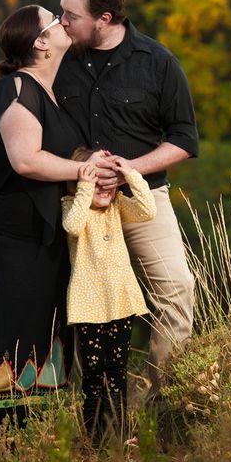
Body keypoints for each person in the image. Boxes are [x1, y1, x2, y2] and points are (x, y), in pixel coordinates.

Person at [0, 4, 109, 443]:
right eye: (54, 20)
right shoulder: (16, 87)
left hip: (42, 239)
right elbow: (26, 160)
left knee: (38, 350)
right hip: (4, 240)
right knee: (3, 353)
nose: (65, 22)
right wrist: (83, 171)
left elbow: (60, 158)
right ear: (40, 42)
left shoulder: (55, 93)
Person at [55, 0, 199, 397]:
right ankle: (93, 419)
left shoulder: (158, 63)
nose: (62, 22)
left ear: (104, 18)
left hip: (143, 199)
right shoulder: (59, 61)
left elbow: (184, 140)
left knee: (176, 291)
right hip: (79, 206)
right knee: (84, 309)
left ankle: (162, 403)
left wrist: (128, 169)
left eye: (71, 15)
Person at [62, 147, 155, 445]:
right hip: (89, 306)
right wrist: (85, 185)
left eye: (108, 181)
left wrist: (129, 173)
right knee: (93, 375)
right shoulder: (73, 207)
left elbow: (147, 210)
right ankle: (94, 438)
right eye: (95, 181)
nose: (103, 188)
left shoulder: (117, 205)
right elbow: (72, 227)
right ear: (79, 183)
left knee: (117, 372)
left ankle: (119, 434)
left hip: (121, 301)